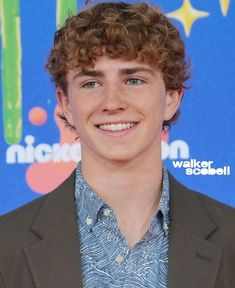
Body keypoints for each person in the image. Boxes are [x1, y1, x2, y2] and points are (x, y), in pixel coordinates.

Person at [0, 2, 234, 288]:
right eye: (91, 83)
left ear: (172, 98)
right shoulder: (6, 246)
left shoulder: (230, 238)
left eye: (134, 80)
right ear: (65, 104)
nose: (112, 103)